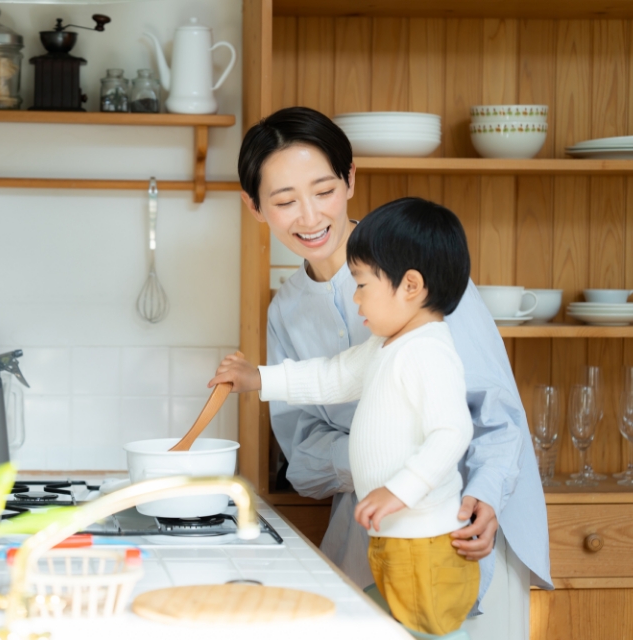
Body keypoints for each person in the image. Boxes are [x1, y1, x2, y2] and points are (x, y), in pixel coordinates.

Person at [229, 106, 551, 639]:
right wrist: (388, 464)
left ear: (351, 179)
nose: (309, 217)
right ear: (255, 208)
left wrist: (484, 497)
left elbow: (492, 417)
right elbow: (304, 458)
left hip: (468, 527)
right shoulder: (284, 311)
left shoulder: (418, 276)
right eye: (285, 201)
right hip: (374, 539)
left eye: (324, 190)